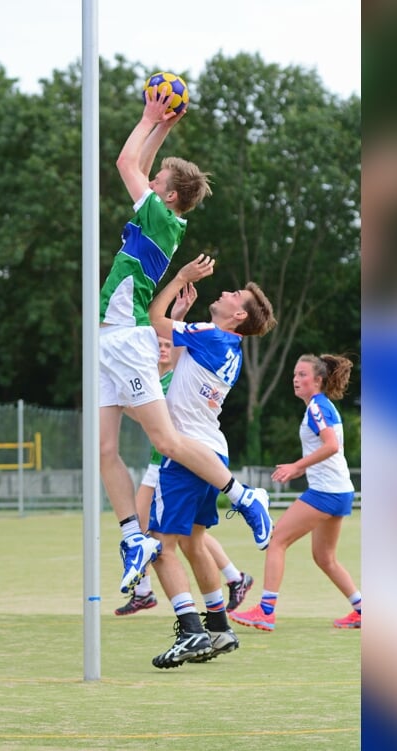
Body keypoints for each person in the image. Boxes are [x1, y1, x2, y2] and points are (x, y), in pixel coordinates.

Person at [101, 91, 273, 595]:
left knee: (166, 441)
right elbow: (144, 164)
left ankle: (243, 496)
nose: (150, 183)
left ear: (169, 197)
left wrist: (147, 118)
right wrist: (166, 127)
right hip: (108, 337)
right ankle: (133, 537)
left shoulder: (160, 218)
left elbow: (125, 161)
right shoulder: (162, 216)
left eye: (158, 185)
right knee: (106, 448)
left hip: (125, 332)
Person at [142, 254, 277, 668]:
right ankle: (218, 627)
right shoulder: (225, 344)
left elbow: (153, 318)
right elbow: (176, 361)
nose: (224, 291)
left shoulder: (212, 334)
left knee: (160, 546)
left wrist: (180, 277)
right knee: (193, 542)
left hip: (186, 453)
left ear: (238, 314)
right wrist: (181, 314)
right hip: (210, 449)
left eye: (233, 294)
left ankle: (190, 631)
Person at [116, 305, 254, 617]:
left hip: (178, 456)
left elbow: (153, 419)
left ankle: (186, 607)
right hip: (175, 455)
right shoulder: (164, 376)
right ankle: (217, 603)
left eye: (168, 344)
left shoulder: (176, 374)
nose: (164, 348)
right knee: (188, 536)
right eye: (161, 344)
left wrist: (117, 401)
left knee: (156, 536)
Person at [233, 353, 362, 632]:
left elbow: (330, 446)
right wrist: (305, 469)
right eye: (294, 374)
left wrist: (296, 466)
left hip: (326, 492)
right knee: (324, 558)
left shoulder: (317, 406)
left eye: (302, 374)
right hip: (339, 491)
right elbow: (327, 449)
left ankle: (265, 611)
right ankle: (362, 609)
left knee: (277, 539)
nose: (296, 379)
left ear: (318, 380)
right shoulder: (321, 406)